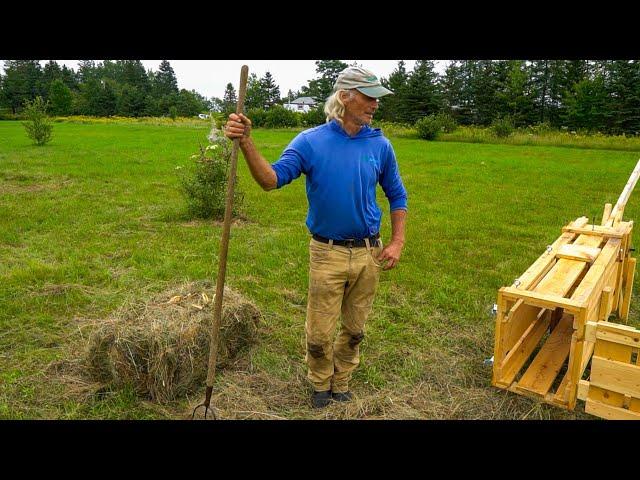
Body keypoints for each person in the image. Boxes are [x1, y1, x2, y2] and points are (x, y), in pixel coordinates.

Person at [224, 66, 408, 408]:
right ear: (345, 97)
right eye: (370, 98)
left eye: (377, 99)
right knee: (320, 333)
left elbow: (397, 195)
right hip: (328, 253)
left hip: (369, 252)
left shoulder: (380, 145)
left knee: (355, 329)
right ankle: (321, 382)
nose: (375, 105)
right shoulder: (310, 142)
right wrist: (246, 142)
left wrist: (396, 242)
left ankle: (342, 381)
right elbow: (271, 180)